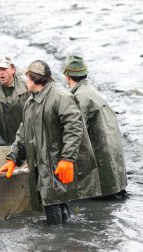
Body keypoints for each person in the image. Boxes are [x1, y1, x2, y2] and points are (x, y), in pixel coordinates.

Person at [0, 60, 101, 225]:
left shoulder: (62, 96)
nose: (25, 82)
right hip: (42, 163)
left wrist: (67, 159)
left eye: (27, 78)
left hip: (57, 162)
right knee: (55, 206)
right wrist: (13, 158)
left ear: (34, 80)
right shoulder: (31, 101)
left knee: (55, 209)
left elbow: (74, 129)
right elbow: (23, 132)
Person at [63, 55, 127, 198]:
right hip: (115, 161)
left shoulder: (80, 97)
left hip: (103, 160)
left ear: (67, 76)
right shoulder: (90, 90)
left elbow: (74, 131)